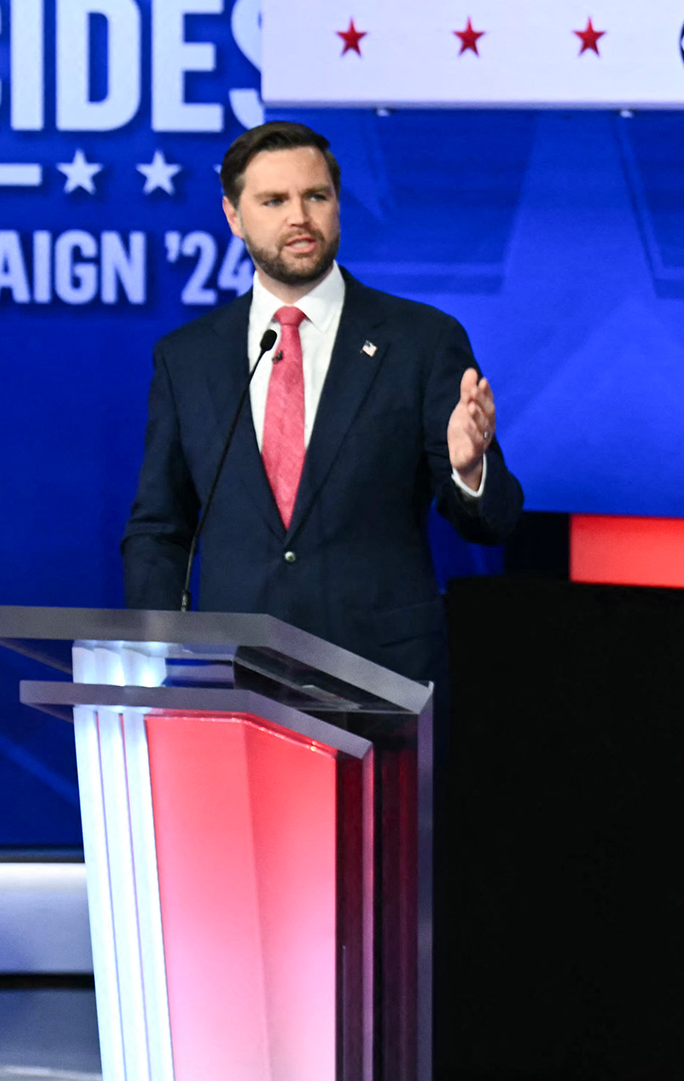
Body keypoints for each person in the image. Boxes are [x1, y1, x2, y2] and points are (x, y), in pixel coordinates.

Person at [122, 121, 520, 682]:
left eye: (316, 196)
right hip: (232, 675)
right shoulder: (187, 358)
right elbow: (159, 528)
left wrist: (470, 470)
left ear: (337, 204)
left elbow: (493, 522)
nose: (299, 218)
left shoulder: (421, 340)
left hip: (380, 674)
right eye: (273, 200)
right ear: (233, 216)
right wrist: (156, 655)